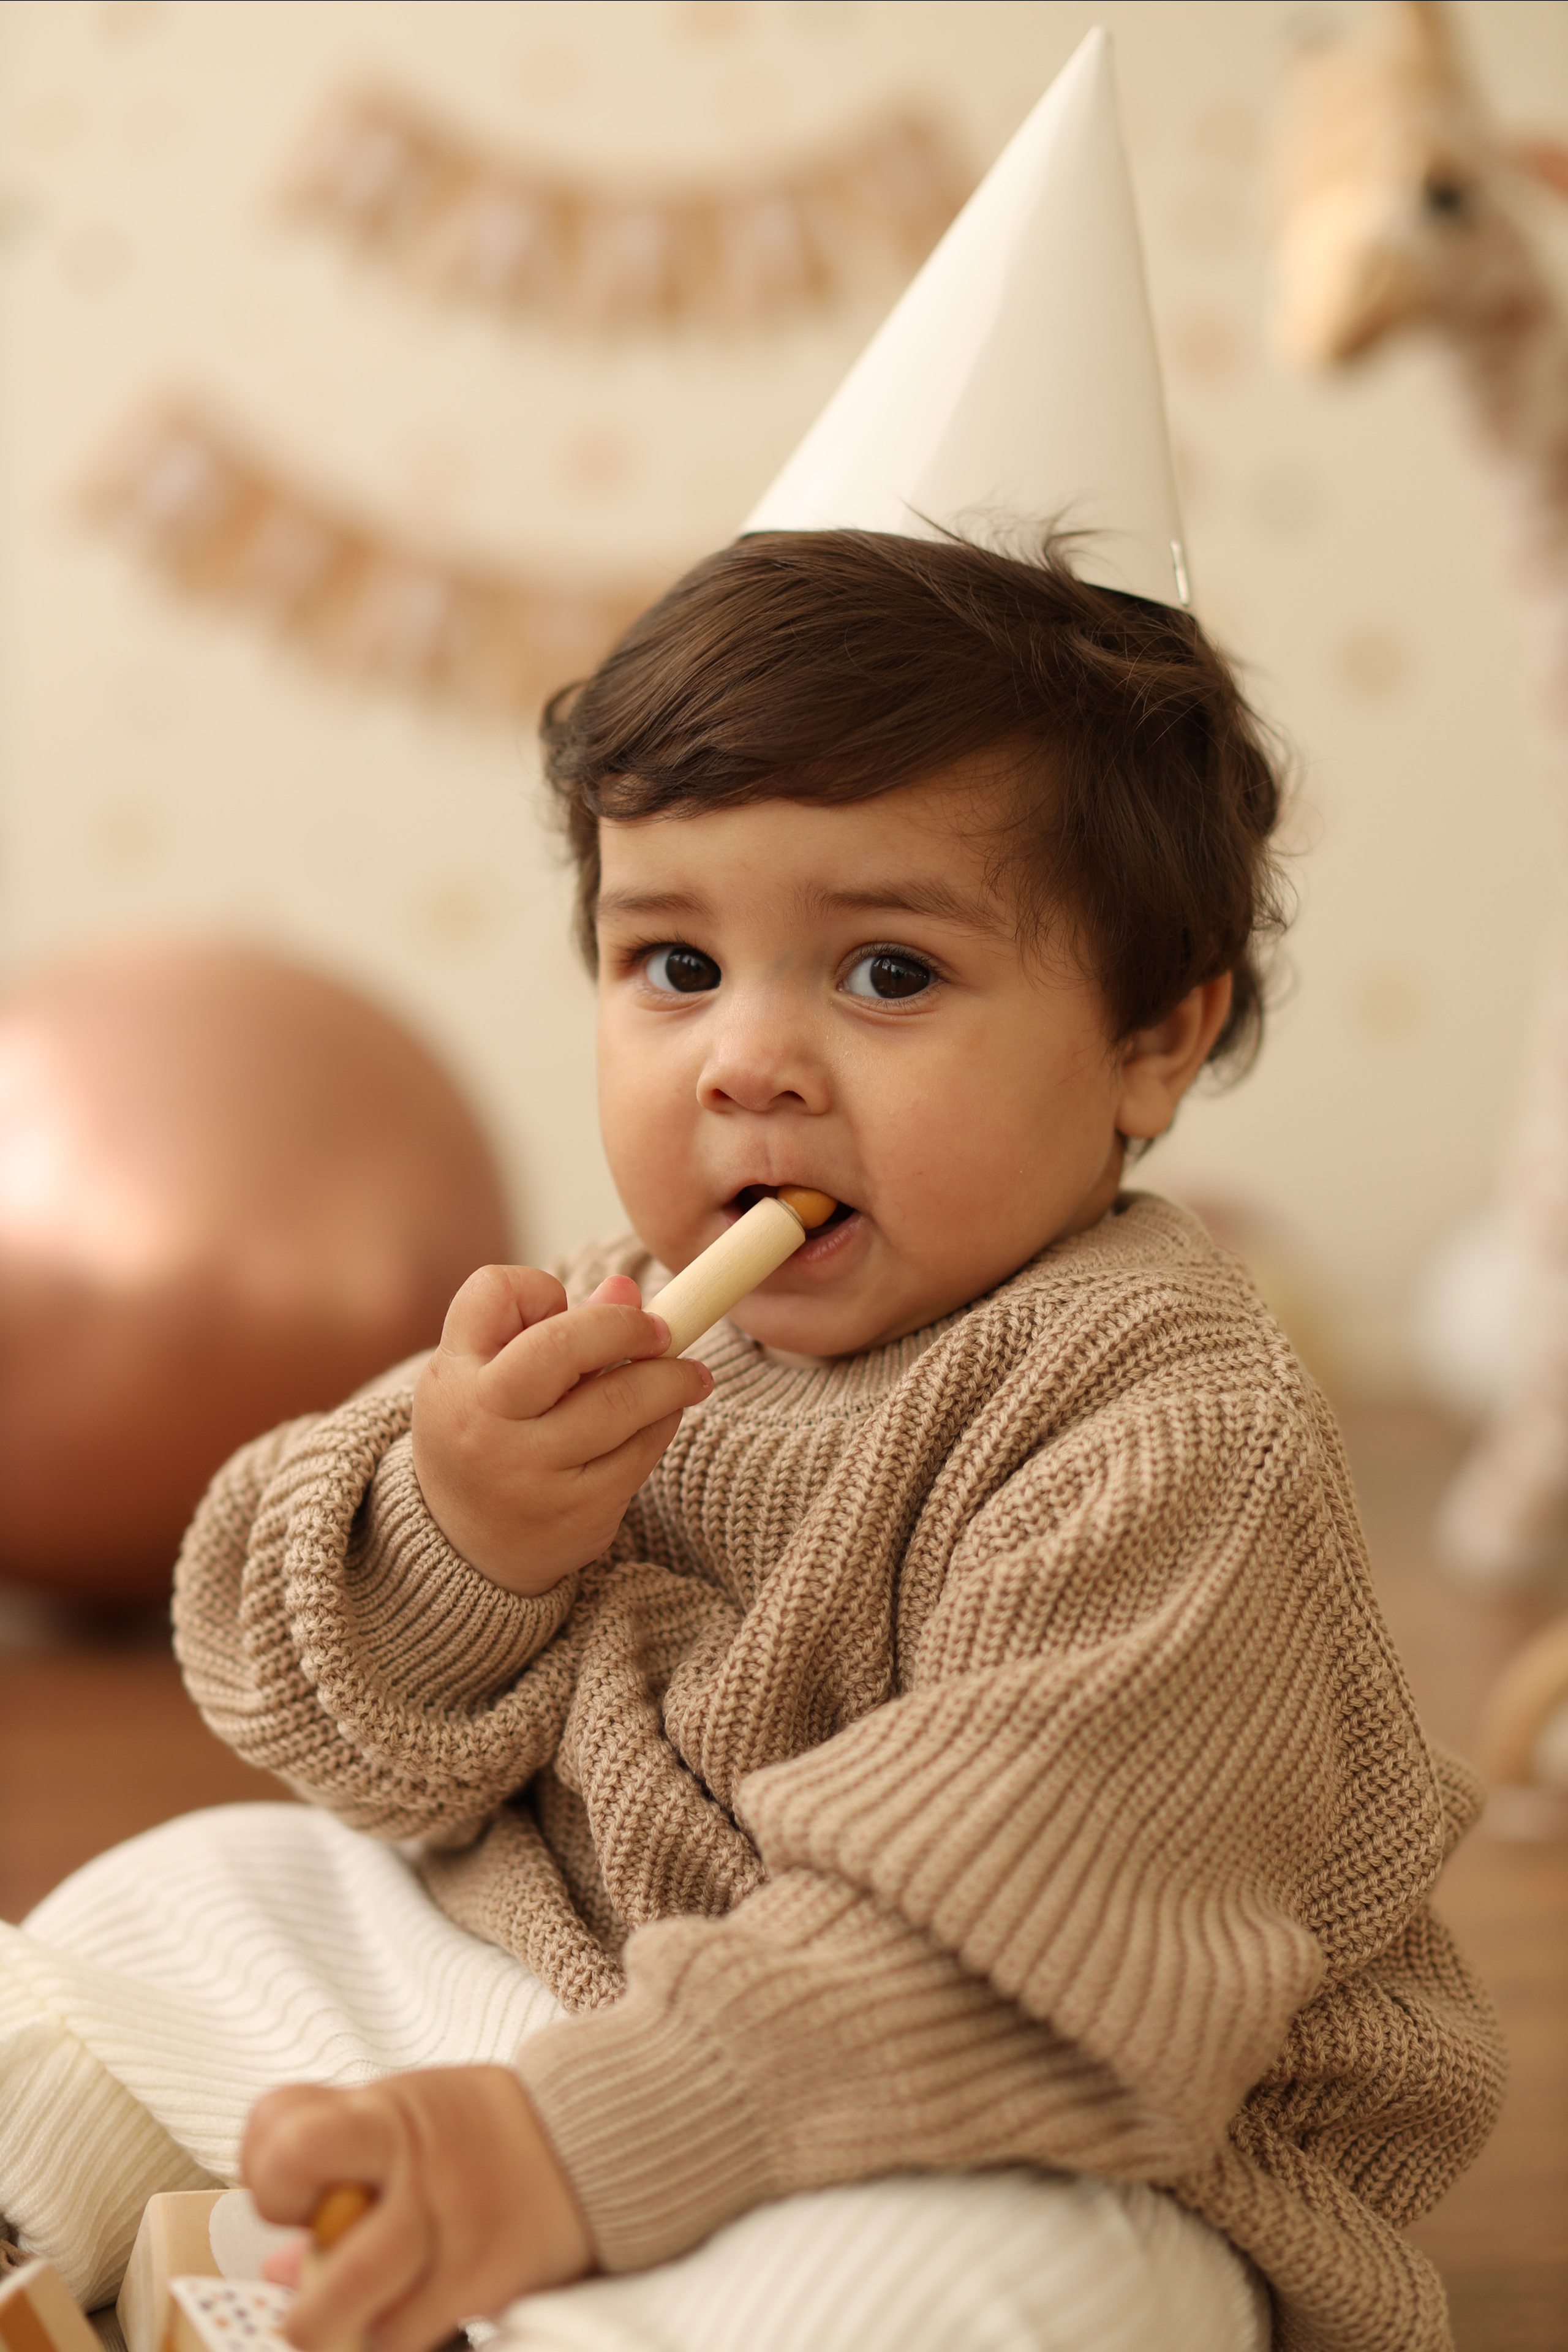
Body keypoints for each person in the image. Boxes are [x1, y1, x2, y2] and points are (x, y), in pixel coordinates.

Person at [0, 34, 1502, 2352]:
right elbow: (323, 1713)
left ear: (1158, 1036)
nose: (748, 1057)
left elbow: (1004, 1953)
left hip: (1044, 2123)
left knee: (970, 2298)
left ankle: (341, 2283)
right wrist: (457, 1532)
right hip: (597, 2048)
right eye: (670, 962)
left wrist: (567, 2158)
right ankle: (131, 2260)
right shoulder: (634, 1327)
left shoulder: (1154, 1409)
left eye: (887, 968)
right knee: (159, 1906)